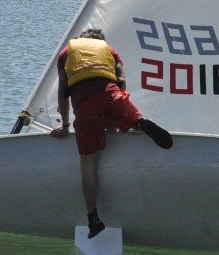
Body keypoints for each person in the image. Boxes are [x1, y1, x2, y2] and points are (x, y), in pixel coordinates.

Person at [51, 27, 173, 238]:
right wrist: (119, 110)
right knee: (121, 114)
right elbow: (122, 82)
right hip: (114, 97)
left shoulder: (67, 53)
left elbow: (63, 93)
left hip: (86, 109)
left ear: (81, 40)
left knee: (88, 166)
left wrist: (65, 124)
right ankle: (137, 121)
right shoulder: (110, 51)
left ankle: (93, 218)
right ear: (101, 42)